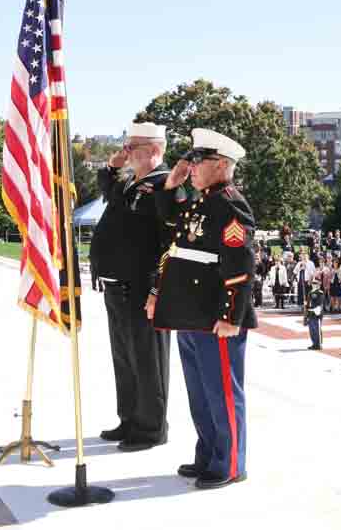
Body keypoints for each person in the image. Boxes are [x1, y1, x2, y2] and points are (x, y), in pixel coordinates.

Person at [148, 128, 254, 490]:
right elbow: (170, 230)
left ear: (221, 164)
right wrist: (171, 185)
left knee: (222, 392)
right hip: (191, 313)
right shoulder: (201, 202)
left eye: (198, 160)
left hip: (215, 316)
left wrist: (231, 315)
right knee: (200, 393)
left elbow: (240, 265)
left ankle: (230, 463)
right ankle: (208, 453)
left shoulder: (230, 203)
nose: (191, 166)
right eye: (190, 160)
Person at [90, 122, 171, 452]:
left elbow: (170, 243)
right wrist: (112, 166)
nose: (127, 152)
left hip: (142, 287)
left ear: (154, 150)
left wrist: (157, 290)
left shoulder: (166, 185)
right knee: (124, 359)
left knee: (147, 360)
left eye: (132, 147)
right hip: (117, 286)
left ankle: (151, 429)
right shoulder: (130, 183)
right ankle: (129, 419)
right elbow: (107, 189)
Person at [306, 278, 324, 350]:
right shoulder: (310, 292)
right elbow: (308, 303)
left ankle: (318, 344)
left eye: (315, 283)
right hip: (310, 312)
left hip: (316, 312)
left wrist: (316, 310)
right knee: (311, 330)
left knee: (317, 329)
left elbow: (320, 304)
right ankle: (314, 343)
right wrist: (306, 307)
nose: (313, 285)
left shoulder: (320, 293)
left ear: (318, 285)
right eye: (313, 283)